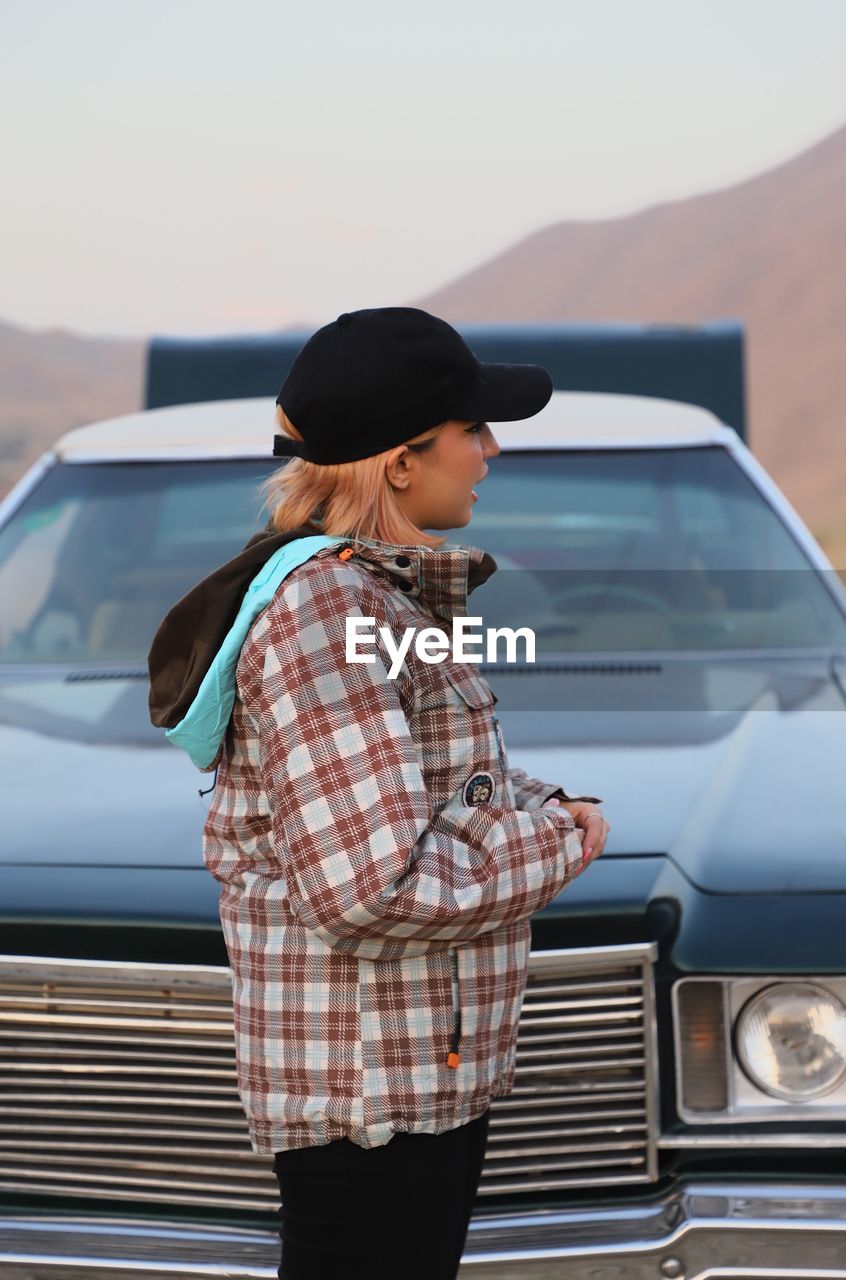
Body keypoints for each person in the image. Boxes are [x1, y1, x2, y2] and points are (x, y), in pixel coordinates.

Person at [148, 306, 610, 1280]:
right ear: (401, 460)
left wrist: (551, 803)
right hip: (371, 1103)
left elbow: (446, 777)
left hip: (409, 1080)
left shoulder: (376, 599)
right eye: (471, 430)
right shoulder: (327, 616)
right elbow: (373, 881)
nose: (489, 450)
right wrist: (563, 841)